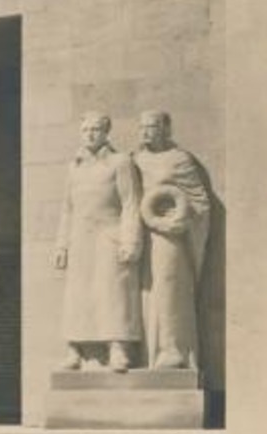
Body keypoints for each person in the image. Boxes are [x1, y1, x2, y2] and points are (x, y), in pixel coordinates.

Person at [53, 112, 143, 372]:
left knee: (112, 290)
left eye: (95, 129)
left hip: (109, 233)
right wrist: (62, 244)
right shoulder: (75, 166)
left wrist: (130, 240)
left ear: (106, 132)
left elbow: (130, 203)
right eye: (86, 130)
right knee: (77, 293)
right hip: (80, 236)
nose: (90, 134)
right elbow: (67, 209)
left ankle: (118, 347)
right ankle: (74, 349)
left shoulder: (120, 162)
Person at [134, 111, 212, 371]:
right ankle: (145, 353)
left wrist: (181, 219)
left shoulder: (180, 160)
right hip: (140, 234)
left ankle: (173, 349)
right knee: (143, 292)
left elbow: (200, 201)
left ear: (165, 129)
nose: (146, 131)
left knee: (169, 288)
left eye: (152, 126)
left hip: (169, 235)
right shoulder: (135, 160)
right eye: (142, 127)